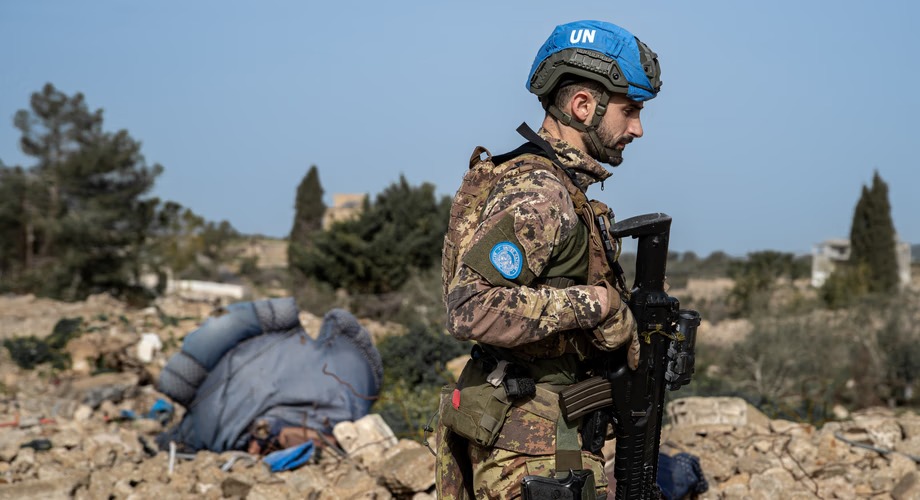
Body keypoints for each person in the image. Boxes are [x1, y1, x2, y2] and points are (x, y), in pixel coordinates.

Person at [437, 20, 663, 499]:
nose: (638, 129)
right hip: (531, 447)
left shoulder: (556, 188)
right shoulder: (541, 192)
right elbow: (471, 307)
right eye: (631, 111)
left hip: (534, 433)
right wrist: (598, 306)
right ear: (584, 105)